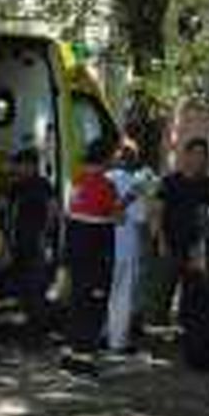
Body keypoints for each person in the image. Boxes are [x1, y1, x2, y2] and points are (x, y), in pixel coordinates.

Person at [64, 137, 121, 368]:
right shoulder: (106, 185)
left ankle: (69, 353)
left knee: (77, 300)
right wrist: (132, 196)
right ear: (106, 157)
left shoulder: (78, 180)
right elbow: (118, 217)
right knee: (94, 304)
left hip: (75, 245)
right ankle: (84, 357)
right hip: (97, 250)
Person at [154, 137, 209, 322]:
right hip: (171, 243)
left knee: (194, 292)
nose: (199, 159)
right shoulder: (170, 182)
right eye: (196, 154)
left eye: (203, 155)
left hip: (197, 248)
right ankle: (158, 328)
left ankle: (187, 329)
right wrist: (160, 239)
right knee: (163, 290)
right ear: (186, 156)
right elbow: (158, 212)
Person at [5, 147, 58, 338]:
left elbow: (52, 210)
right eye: (18, 165)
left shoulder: (42, 184)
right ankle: (30, 328)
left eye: (23, 165)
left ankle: (38, 330)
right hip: (20, 242)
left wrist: (46, 234)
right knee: (24, 287)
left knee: (35, 286)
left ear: (33, 165)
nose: (20, 169)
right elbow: (10, 215)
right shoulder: (17, 186)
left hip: (36, 241)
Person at [106, 139, 150, 354]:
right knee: (122, 294)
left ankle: (101, 334)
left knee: (104, 291)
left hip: (102, 244)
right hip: (125, 247)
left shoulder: (103, 179)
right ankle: (118, 341)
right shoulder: (134, 185)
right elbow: (141, 218)